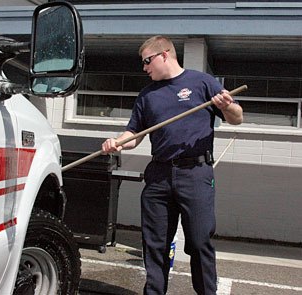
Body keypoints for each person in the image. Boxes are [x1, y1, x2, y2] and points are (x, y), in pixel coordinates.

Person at [101, 35, 243, 295]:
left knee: (200, 243)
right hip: (159, 175)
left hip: (195, 173)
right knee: (155, 244)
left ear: (164, 54)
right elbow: (134, 135)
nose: (144, 68)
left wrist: (227, 107)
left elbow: (237, 117)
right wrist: (117, 142)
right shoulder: (147, 95)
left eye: (147, 61)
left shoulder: (201, 82)